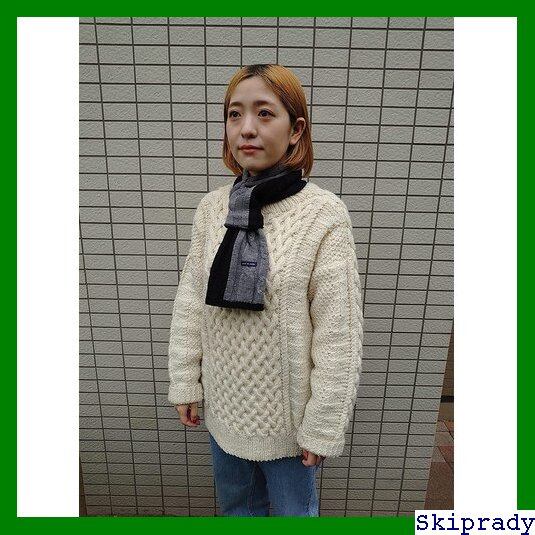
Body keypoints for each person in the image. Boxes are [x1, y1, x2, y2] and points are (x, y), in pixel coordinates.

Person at [167, 63, 364, 517]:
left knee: (295, 514)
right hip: (223, 411)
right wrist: (185, 381)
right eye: (234, 114)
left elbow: (338, 336)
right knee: (237, 509)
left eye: (264, 113)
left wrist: (322, 425)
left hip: (290, 427)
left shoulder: (323, 215)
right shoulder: (212, 209)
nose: (247, 128)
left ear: (296, 130)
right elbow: (191, 302)